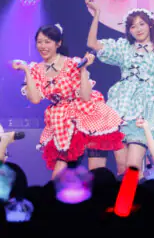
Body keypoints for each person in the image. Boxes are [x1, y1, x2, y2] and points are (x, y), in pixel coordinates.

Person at [85, 0, 154, 174]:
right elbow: (93, 44)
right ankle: (128, 194)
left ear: (150, 25)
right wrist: (97, 13)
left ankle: (133, 192)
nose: (138, 29)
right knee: (122, 167)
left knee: (133, 166)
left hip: (144, 108)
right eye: (133, 26)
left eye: (141, 24)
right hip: (119, 107)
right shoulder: (124, 48)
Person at [13, 24, 124, 178]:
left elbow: (86, 97)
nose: (43, 46)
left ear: (58, 43)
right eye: (39, 42)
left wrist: (83, 69)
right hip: (62, 119)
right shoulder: (35, 70)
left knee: (96, 171)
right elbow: (35, 99)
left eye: (47, 42)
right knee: (61, 169)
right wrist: (26, 70)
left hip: (89, 113)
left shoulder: (73, 63)